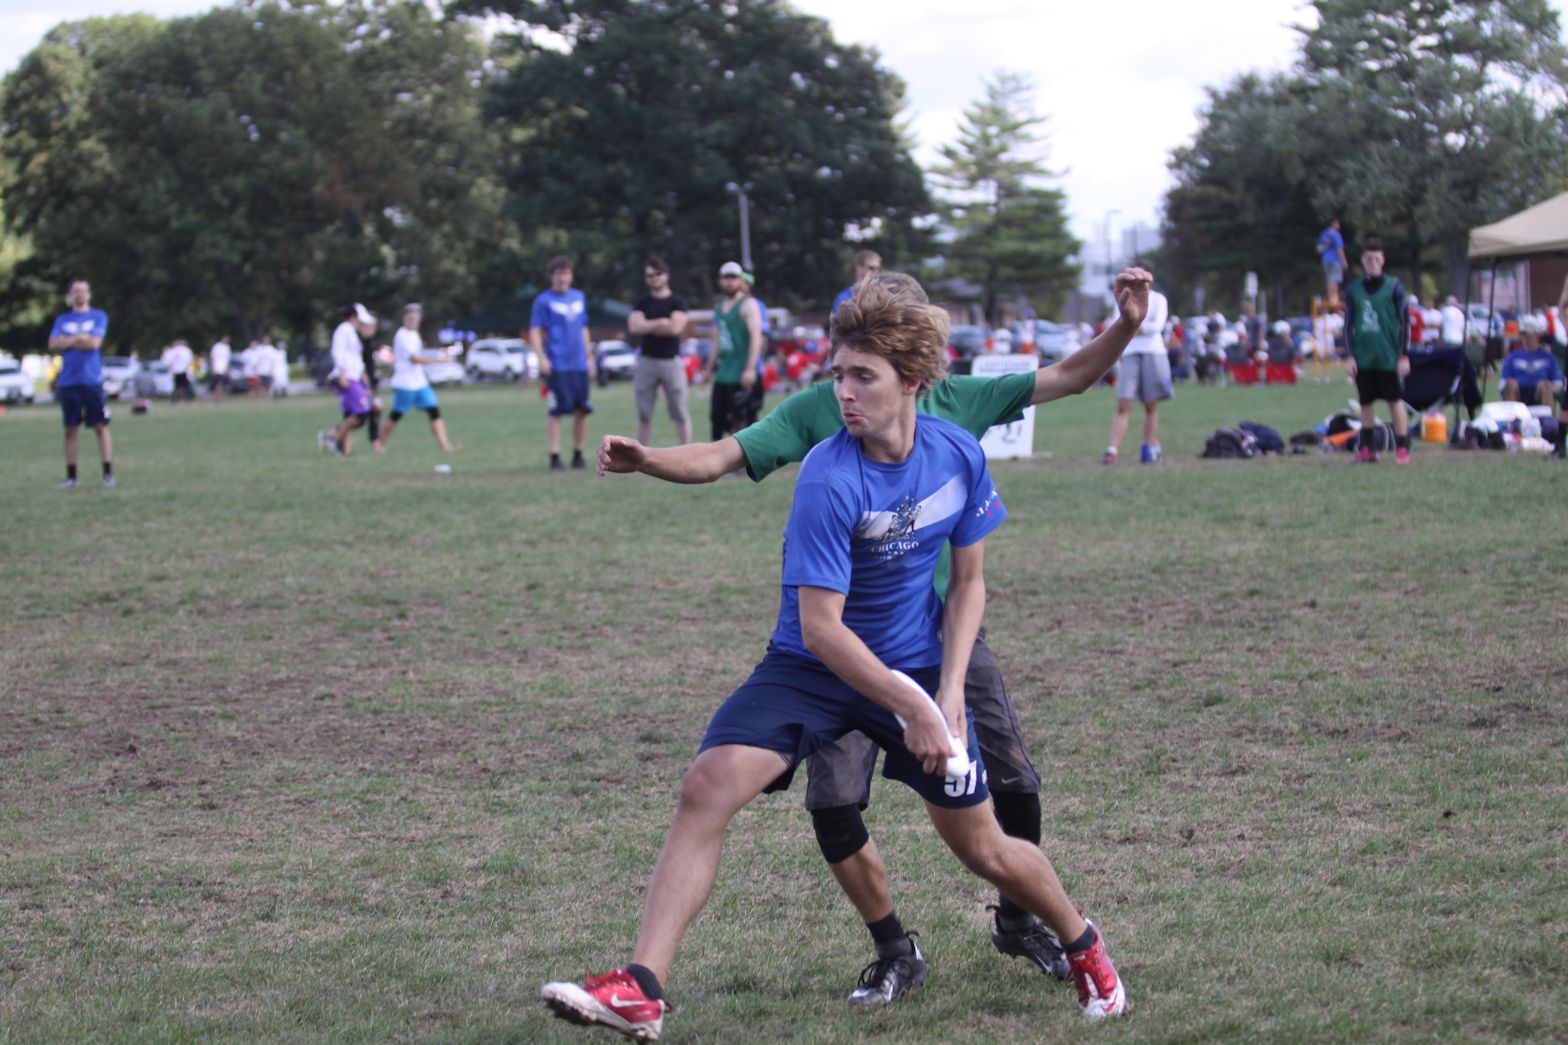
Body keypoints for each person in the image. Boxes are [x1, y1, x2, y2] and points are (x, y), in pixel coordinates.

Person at [545, 275, 1128, 1041]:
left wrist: (948, 692)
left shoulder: (957, 450)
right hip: (812, 668)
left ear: (913, 380)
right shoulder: (828, 472)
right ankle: (641, 987)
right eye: (838, 374)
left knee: (983, 846)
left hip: (917, 661)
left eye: (863, 376)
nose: (843, 392)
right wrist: (914, 705)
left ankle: (1084, 944)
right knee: (707, 785)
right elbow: (821, 631)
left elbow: (968, 585)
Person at [1344, 238, 1412, 464]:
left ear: (1383, 260)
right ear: (1362, 261)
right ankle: (1368, 448)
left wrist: (1403, 355)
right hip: (1364, 356)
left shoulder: (1394, 286)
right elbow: (1348, 324)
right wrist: (1350, 356)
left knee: (1395, 400)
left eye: (1376, 258)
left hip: (1388, 356)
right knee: (1365, 402)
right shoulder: (1354, 289)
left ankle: (1403, 447)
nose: (1372, 262)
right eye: (1368, 258)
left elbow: (1405, 322)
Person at [530, 255, 596, 470]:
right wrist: (541, 358)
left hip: (579, 364)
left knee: (582, 410)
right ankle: (555, 456)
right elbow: (535, 331)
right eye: (558, 274)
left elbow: (584, 328)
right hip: (557, 365)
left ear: (571, 276)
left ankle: (578, 454)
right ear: (552, 276)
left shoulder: (579, 297)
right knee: (556, 411)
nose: (562, 278)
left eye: (566, 273)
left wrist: (589, 356)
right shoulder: (543, 300)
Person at [48, 278, 114, 489]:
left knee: (100, 426)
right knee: (70, 429)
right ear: (70, 294)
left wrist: (67, 341)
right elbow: (53, 344)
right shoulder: (62, 319)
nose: (80, 294)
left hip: (92, 381)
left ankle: (107, 474)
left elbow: (94, 343)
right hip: (68, 382)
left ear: (89, 294)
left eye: (83, 290)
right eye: (76, 291)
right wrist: (78, 337)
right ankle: (71, 477)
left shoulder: (98, 316)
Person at [1102, 261, 1170, 464]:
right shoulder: (1125, 299)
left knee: (1151, 404)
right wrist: (1137, 326)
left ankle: (1148, 447)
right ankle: (1112, 450)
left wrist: (1133, 327)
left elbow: (1157, 327)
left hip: (1153, 352)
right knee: (1123, 403)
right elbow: (1119, 324)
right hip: (1130, 352)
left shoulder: (1158, 299)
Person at [374, 303, 457, 453]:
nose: (413, 322)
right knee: (396, 415)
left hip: (420, 382)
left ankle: (444, 445)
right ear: (404, 319)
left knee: (434, 410)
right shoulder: (402, 335)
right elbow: (414, 359)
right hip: (405, 383)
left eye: (416, 318)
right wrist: (439, 361)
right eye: (410, 318)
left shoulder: (414, 335)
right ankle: (378, 444)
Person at [627, 256, 691, 446]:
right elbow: (634, 327)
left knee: (680, 411)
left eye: (658, 274)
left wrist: (648, 325)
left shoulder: (677, 301)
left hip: (671, 361)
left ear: (666, 275)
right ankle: (640, 454)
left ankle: (685, 452)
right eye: (650, 275)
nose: (654, 278)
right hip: (646, 361)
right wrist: (661, 322)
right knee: (644, 413)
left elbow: (675, 328)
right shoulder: (642, 302)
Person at [703, 261, 763, 441]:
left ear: (740, 280)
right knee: (717, 419)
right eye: (726, 278)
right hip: (723, 373)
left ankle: (743, 456)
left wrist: (750, 369)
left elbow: (756, 337)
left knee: (741, 422)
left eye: (733, 277)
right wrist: (708, 369)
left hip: (740, 373)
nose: (730, 282)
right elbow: (717, 341)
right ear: (720, 280)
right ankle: (715, 456)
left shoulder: (748, 305)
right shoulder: (719, 307)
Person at [318, 304, 376, 456]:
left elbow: (357, 360)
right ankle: (332, 437)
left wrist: (366, 382)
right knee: (362, 413)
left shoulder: (352, 332)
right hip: (347, 377)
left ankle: (343, 449)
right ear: (353, 317)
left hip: (354, 377)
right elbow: (338, 353)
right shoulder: (343, 330)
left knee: (350, 414)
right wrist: (342, 374)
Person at [1498, 316, 1564, 407]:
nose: (1526, 337)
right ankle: (1513, 413)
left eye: (1529, 334)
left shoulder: (1548, 357)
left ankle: (1546, 415)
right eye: (1523, 334)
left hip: (1540, 394)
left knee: (1545, 385)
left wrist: (1548, 388)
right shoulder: (1512, 357)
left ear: (1537, 335)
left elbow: (1557, 384)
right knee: (1511, 384)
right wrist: (1508, 387)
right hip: (1517, 393)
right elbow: (1503, 384)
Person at [832, 250, 882, 317]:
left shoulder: (882, 295)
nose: (876, 272)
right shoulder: (843, 298)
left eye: (878, 268)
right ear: (859, 267)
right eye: (871, 268)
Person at [1318, 218, 1347, 306]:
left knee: (1329, 280)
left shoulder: (1324, 234)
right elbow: (1339, 249)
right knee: (1335, 280)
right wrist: (1344, 261)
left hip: (1325, 260)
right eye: (1337, 224)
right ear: (1333, 224)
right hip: (1335, 260)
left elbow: (1319, 249)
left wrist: (1326, 245)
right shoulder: (1336, 234)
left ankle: (1330, 298)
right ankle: (1334, 299)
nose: (1339, 226)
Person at [161, 338, 195, 404]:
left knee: (177, 386)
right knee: (182, 386)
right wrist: (190, 371)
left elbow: (167, 362)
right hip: (183, 371)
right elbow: (190, 362)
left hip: (175, 371)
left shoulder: (172, 351)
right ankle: (180, 399)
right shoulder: (186, 350)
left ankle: (177, 400)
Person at [208, 335, 232, 401]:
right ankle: (217, 397)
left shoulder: (227, 347)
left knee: (221, 384)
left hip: (224, 369)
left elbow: (228, 360)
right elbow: (212, 357)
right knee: (218, 384)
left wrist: (228, 369)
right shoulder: (217, 346)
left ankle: (219, 397)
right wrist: (213, 368)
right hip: (217, 368)